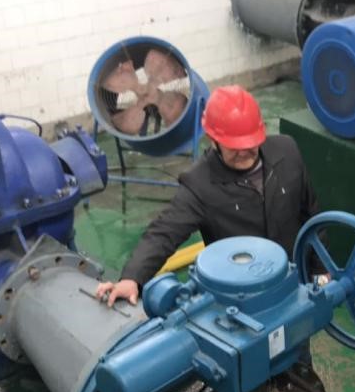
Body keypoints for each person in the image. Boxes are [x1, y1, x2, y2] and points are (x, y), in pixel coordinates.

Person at [96, 84, 320, 306]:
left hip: (295, 285)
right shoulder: (200, 185)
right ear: (214, 141)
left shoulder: (287, 152)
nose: (243, 152)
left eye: (248, 142)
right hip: (244, 300)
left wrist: (321, 271)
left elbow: (312, 216)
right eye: (233, 146)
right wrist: (132, 278)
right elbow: (163, 232)